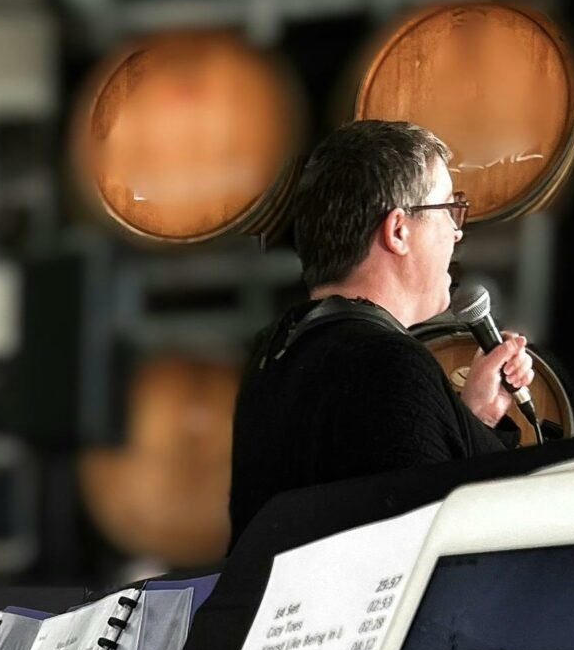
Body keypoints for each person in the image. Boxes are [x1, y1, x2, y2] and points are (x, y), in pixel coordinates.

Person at [227, 119, 537, 544]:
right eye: (448, 208)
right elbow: (440, 549)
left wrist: (471, 419)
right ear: (397, 231)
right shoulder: (388, 364)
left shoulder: (276, 351)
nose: (457, 229)